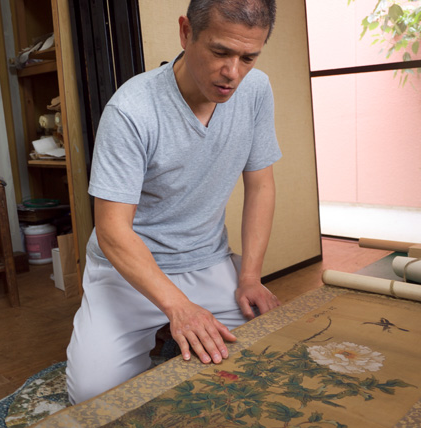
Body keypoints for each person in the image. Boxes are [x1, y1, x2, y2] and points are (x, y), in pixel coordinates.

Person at [66, 0, 280, 404]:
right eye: (220, 52)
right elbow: (111, 230)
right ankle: (169, 325)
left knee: (264, 360)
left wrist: (250, 277)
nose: (233, 72)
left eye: (248, 57)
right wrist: (179, 307)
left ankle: (174, 331)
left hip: (207, 260)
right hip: (129, 270)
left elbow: (261, 187)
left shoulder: (256, 90)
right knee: (94, 397)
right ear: (186, 32)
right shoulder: (131, 109)